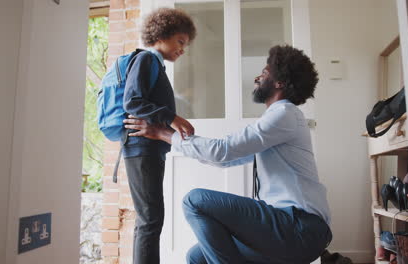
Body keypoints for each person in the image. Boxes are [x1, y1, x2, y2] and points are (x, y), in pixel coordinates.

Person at [124, 45, 332, 264]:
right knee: (196, 257)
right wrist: (174, 139)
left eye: (265, 72)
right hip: (286, 227)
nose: (257, 78)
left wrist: (164, 133)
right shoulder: (279, 119)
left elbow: (223, 151)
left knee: (195, 201)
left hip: (299, 227)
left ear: (280, 83)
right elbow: (225, 158)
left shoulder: (284, 114)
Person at [122, 8, 196, 264]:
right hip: (141, 148)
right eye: (180, 41)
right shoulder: (147, 60)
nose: (182, 49)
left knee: (149, 219)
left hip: (148, 149)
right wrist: (172, 118)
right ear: (162, 34)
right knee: (150, 220)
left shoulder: (155, 65)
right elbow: (132, 101)